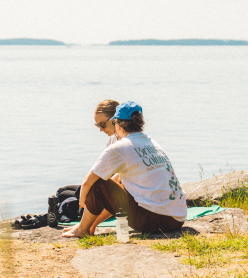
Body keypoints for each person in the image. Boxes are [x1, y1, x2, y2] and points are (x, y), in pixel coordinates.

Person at [60, 100, 186, 238]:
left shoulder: (120, 147)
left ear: (117, 124)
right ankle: (86, 226)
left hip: (153, 222)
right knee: (117, 182)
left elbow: (87, 182)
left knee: (98, 182)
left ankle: (81, 230)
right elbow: (114, 193)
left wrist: (82, 202)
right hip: (177, 219)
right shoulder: (152, 143)